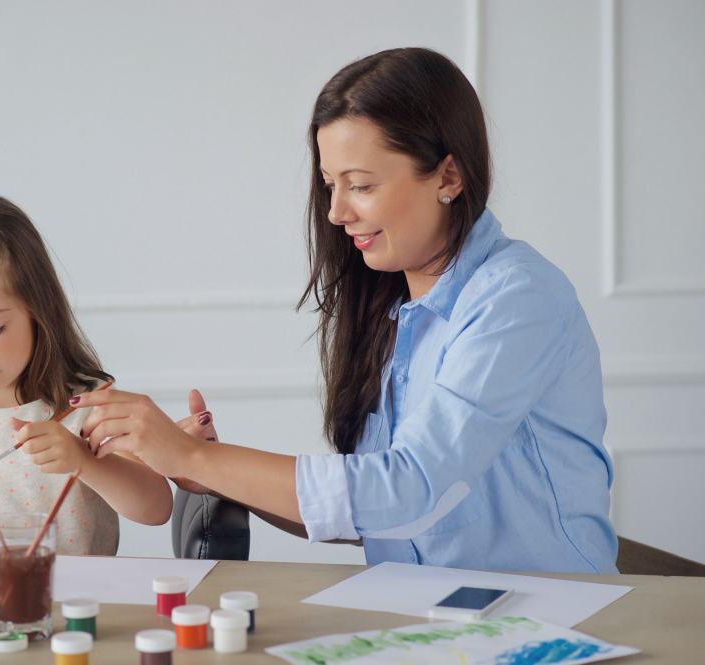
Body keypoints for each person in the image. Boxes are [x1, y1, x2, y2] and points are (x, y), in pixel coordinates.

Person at [72, 48, 618, 573]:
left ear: (448, 177)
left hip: (549, 620)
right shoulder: (393, 309)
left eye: (360, 185)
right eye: (330, 185)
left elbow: (409, 490)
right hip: (430, 617)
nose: (335, 211)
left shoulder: (517, 299)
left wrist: (192, 459)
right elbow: (375, 516)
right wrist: (214, 471)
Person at [0, 195, 172, 553]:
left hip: (74, 603)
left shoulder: (88, 406)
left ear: (39, 309)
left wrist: (83, 459)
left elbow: (156, 509)